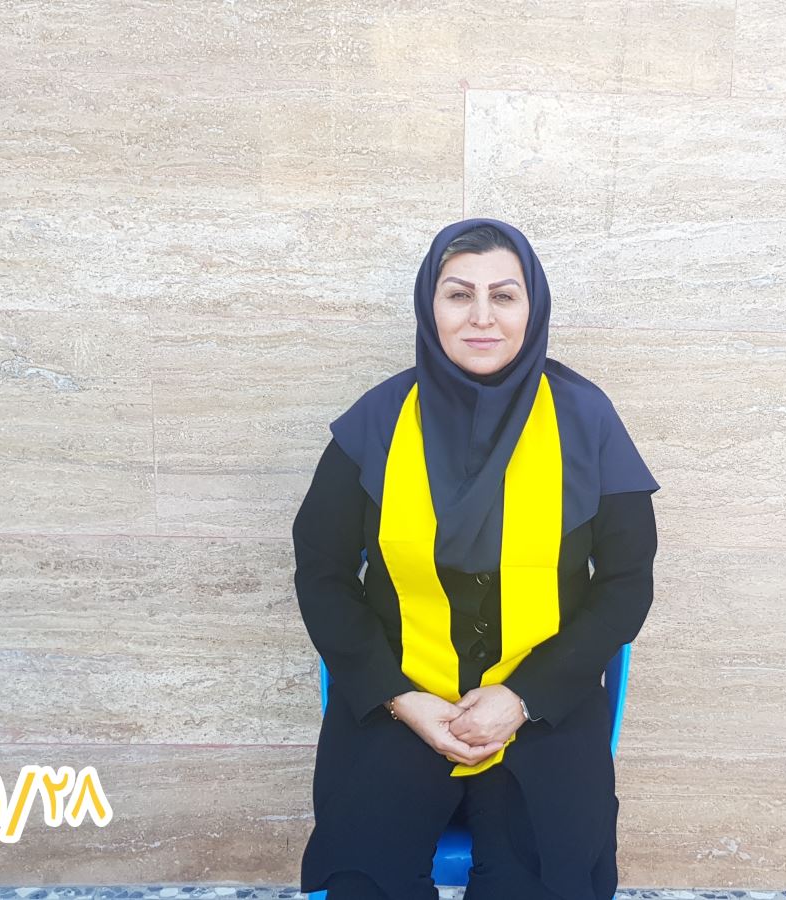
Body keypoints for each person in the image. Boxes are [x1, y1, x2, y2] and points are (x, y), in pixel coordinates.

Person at [293, 217, 661, 900]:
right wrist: (400, 698)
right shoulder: (377, 422)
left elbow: (625, 582)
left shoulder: (587, 422)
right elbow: (322, 573)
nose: (482, 317)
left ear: (533, 307)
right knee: (365, 881)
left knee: (545, 881)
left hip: (545, 707)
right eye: (459, 294)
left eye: (504, 295)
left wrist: (525, 698)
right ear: (429, 306)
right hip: (397, 702)